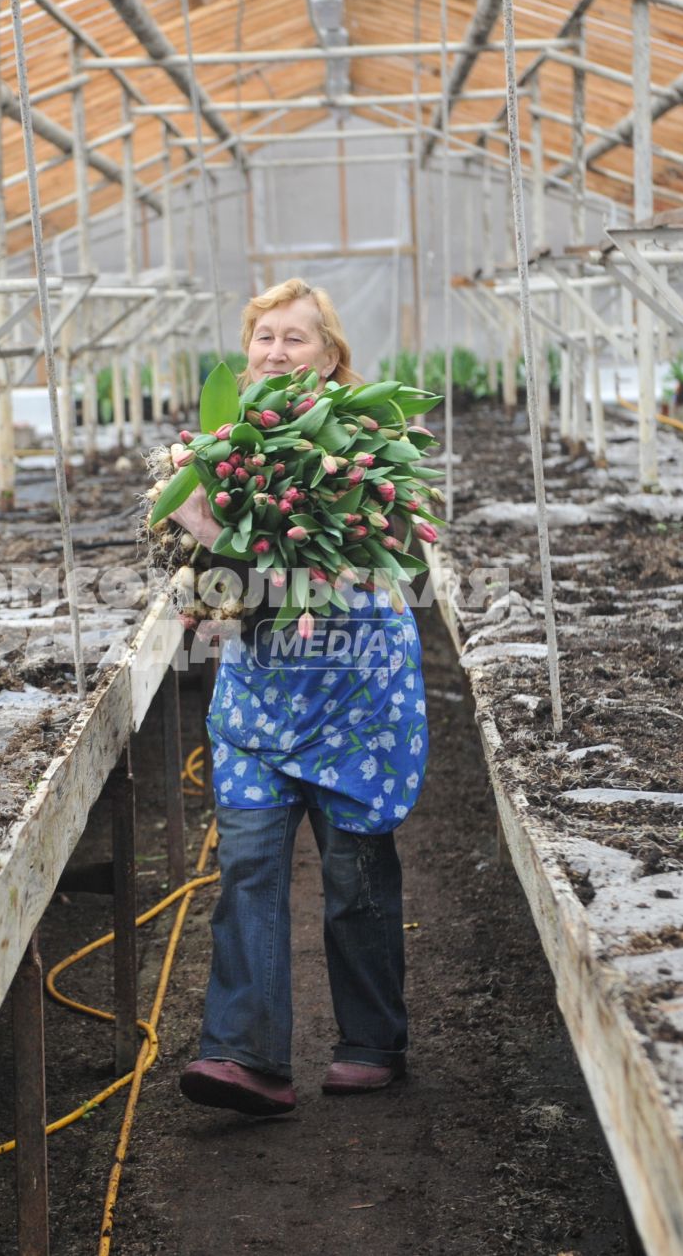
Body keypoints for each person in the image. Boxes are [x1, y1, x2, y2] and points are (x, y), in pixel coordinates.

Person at [164, 278, 428, 1118]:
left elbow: (388, 546)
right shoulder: (223, 449)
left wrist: (245, 536)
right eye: (264, 337)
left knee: (353, 876)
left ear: (332, 355)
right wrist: (198, 531)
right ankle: (246, 1056)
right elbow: (226, 584)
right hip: (258, 702)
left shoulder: (368, 442)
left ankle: (371, 1041)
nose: (275, 351)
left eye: (295, 338)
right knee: (246, 867)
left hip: (355, 697)